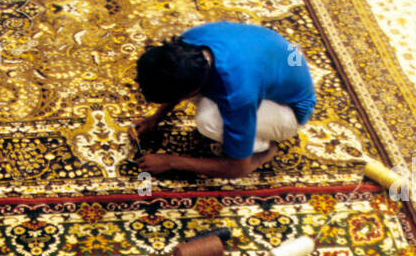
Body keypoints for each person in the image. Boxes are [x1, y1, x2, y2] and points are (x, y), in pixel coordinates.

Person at [133, 21, 316, 178]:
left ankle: (264, 151)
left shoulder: (238, 95)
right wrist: (155, 118)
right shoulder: (188, 43)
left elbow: (237, 168)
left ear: (192, 91)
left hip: (290, 109)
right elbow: (178, 81)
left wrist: (171, 162)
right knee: (205, 102)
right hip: (267, 64)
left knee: (208, 121)